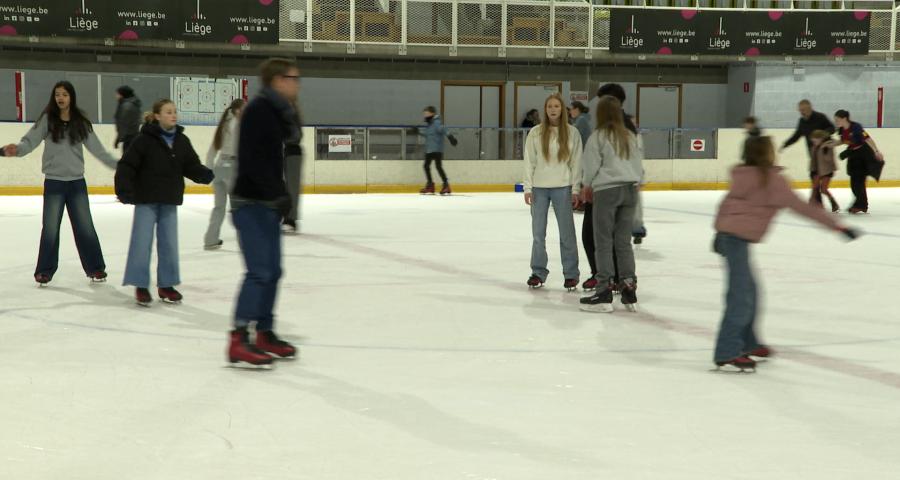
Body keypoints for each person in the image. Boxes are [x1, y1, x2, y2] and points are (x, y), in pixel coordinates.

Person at [711, 135, 858, 371]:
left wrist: (718, 233)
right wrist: (838, 226)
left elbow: (726, 206)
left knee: (750, 293)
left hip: (730, 238)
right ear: (768, 154)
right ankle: (727, 350)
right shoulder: (772, 181)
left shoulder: (742, 175)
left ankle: (749, 342)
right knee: (741, 298)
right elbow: (805, 208)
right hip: (736, 240)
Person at [3, 81, 118, 286]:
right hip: (54, 183)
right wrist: (15, 150)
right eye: (57, 94)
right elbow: (29, 142)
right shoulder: (48, 120)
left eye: (64, 94)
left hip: (76, 183)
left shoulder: (80, 122)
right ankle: (45, 271)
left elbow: (98, 150)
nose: (61, 98)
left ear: (71, 97)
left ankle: (95, 268)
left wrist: (120, 166)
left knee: (85, 227)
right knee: (50, 228)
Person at [228, 58, 302, 368]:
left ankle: (264, 332)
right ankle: (238, 338)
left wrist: (280, 195)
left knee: (273, 270)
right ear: (276, 80)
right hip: (251, 202)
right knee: (259, 271)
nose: (297, 84)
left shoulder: (278, 112)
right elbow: (253, 161)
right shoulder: (259, 110)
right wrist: (277, 192)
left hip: (268, 203)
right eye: (292, 78)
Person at [115, 99, 214, 306]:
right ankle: (141, 285)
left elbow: (190, 165)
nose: (173, 115)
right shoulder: (144, 140)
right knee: (141, 243)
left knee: (169, 244)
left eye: (175, 112)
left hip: (169, 199)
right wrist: (124, 190)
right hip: (146, 199)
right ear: (158, 116)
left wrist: (205, 175)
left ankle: (166, 285)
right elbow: (127, 166)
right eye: (168, 112)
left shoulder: (181, 140)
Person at [579, 95, 643, 313]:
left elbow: (590, 166)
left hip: (607, 191)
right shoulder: (629, 136)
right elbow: (638, 165)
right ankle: (628, 285)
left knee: (604, 242)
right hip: (629, 190)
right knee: (623, 242)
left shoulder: (598, 137)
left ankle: (604, 290)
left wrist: (586, 185)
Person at [523, 93, 583, 291]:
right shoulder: (536, 132)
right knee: (538, 233)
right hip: (539, 189)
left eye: (556, 106)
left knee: (567, 233)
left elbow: (576, 163)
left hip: (563, 188)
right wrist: (528, 187)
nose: (553, 109)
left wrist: (575, 189)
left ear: (562, 109)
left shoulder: (572, 133)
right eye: (549, 106)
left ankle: (571, 274)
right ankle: (538, 271)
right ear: (545, 109)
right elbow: (529, 161)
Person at [203, 99, 245, 250]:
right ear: (239, 111)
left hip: (219, 167)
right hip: (232, 168)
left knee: (219, 207)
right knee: (239, 207)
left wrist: (208, 171)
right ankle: (245, 242)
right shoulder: (238, 125)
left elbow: (212, 150)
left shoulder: (224, 125)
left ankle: (210, 239)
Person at [834, 110, 885, 214]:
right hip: (853, 155)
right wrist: (832, 144)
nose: (836, 122)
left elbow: (868, 139)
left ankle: (861, 205)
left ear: (844, 118)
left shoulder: (856, 127)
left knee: (859, 183)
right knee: (854, 183)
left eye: (837, 120)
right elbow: (843, 141)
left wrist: (876, 151)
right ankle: (860, 204)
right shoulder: (841, 130)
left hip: (863, 155)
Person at [418, 106, 453, 195]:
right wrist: (417, 131)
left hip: (437, 149)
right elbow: (427, 134)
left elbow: (444, 129)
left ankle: (446, 185)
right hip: (429, 149)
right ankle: (430, 185)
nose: (425, 116)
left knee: (438, 167)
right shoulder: (429, 124)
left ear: (432, 113)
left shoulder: (436, 123)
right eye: (424, 114)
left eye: (426, 114)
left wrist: (450, 137)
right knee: (426, 166)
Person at [282, 103, 304, 235]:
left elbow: (295, 136)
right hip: (289, 152)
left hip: (293, 153)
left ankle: (291, 220)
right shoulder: (290, 118)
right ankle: (288, 218)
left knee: (292, 188)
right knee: (288, 187)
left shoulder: (292, 119)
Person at [808, 130, 840, 213]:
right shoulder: (814, 147)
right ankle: (813, 204)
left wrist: (824, 149)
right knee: (815, 188)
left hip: (827, 171)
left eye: (815, 140)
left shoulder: (827, 146)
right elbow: (813, 159)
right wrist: (812, 169)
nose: (814, 142)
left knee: (824, 189)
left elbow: (829, 159)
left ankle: (834, 203)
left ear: (821, 139)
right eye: (813, 141)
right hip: (817, 170)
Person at [114, 85, 143, 155]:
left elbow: (123, 124)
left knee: (127, 160)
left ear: (122, 94)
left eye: (117, 94)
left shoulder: (126, 107)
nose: (116, 96)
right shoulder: (134, 104)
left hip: (129, 138)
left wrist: (118, 139)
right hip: (134, 136)